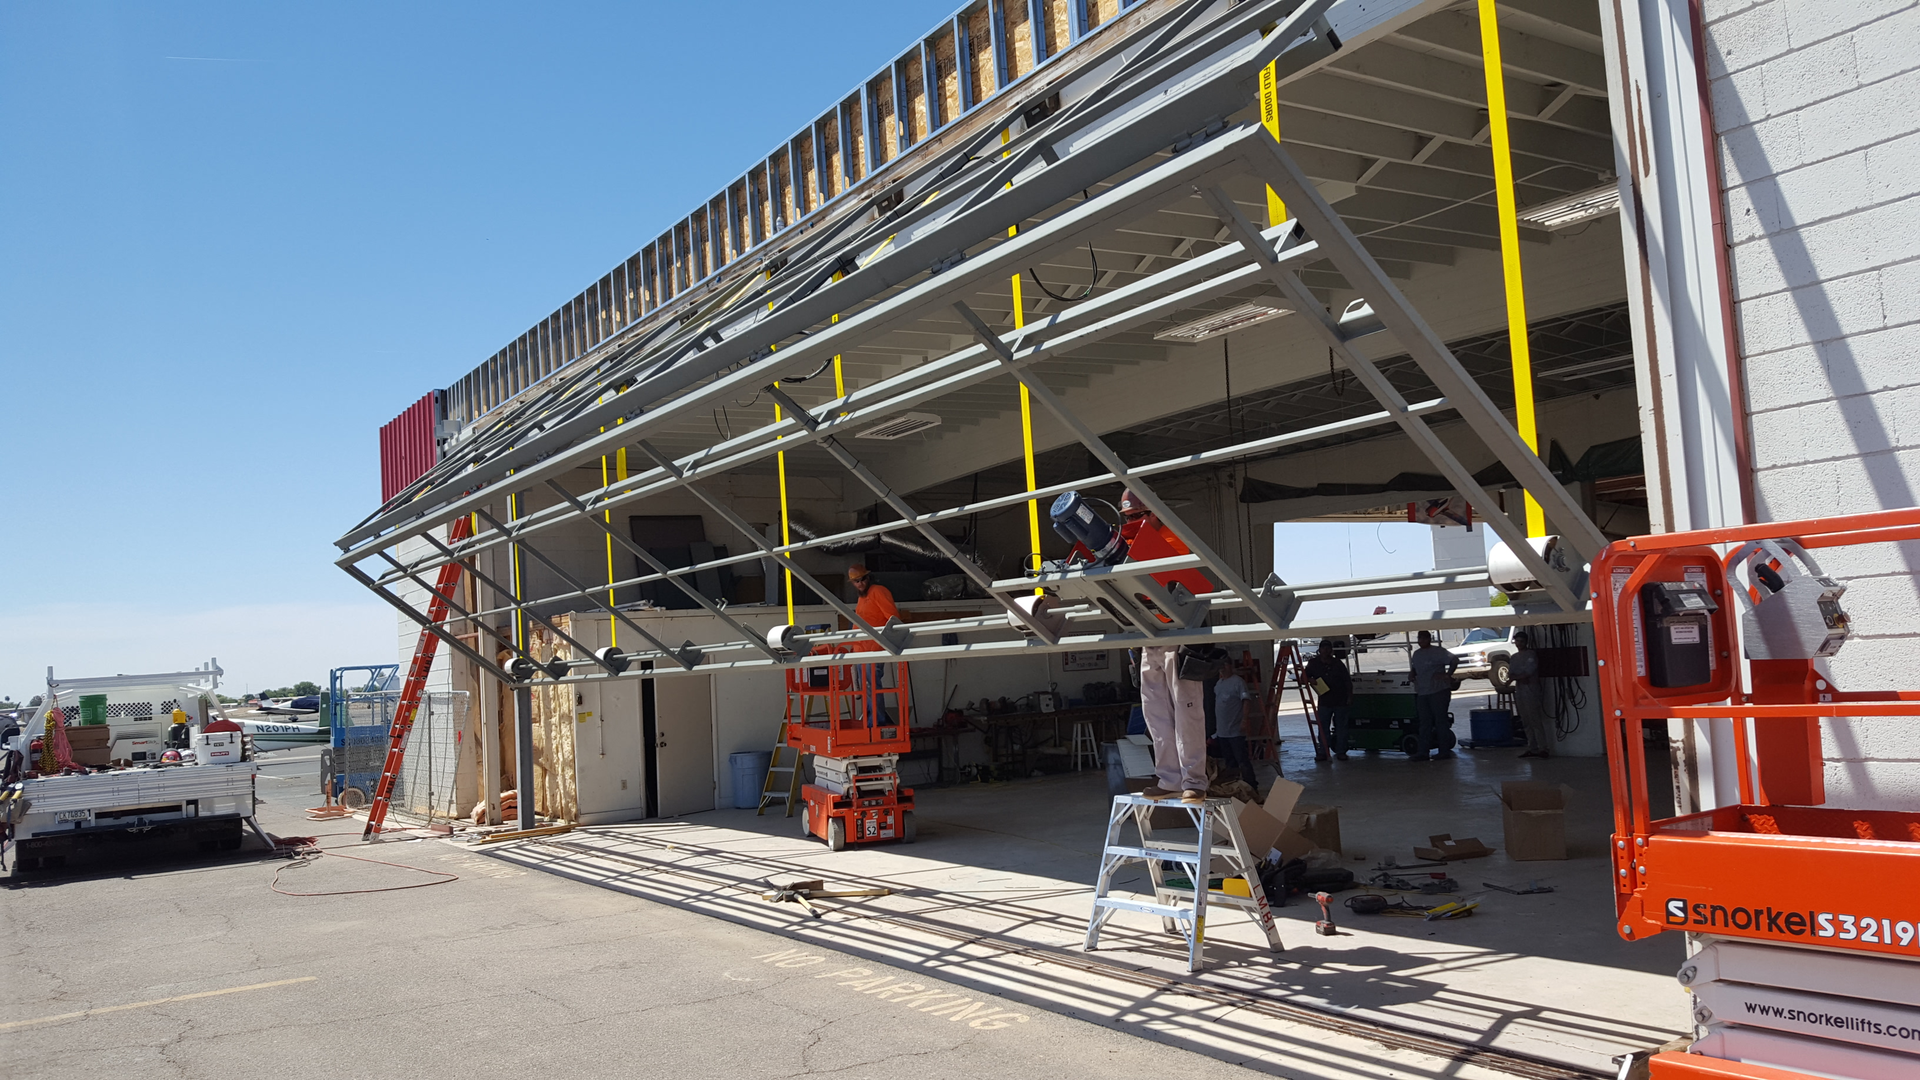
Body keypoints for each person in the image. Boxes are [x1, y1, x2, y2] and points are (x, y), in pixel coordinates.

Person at [1118, 490, 1207, 805]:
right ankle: (1169, 779)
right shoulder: (1128, 543)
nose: (1132, 522)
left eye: (1137, 515)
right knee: (1155, 713)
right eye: (1128, 517)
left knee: (1186, 710)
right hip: (1148, 632)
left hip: (1176, 631)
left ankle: (1194, 780)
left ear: (1153, 512)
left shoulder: (1171, 539)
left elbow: (1167, 575)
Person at [1409, 630, 1460, 761]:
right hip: (1422, 692)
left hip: (1439, 691)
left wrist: (1448, 675)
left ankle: (1444, 751)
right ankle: (1423, 752)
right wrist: (1412, 673)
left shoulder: (1439, 651)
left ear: (1429, 639)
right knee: (1424, 722)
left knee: (1440, 721)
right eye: (1419, 639)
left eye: (1424, 638)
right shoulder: (1417, 654)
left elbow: (1454, 660)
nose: (1421, 641)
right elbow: (1416, 667)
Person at [1303, 637, 1354, 760]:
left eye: (1328, 648)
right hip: (1324, 701)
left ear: (1331, 650)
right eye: (1323, 648)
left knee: (1341, 727)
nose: (1326, 651)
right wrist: (1310, 679)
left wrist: (1350, 696)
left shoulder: (1337, 663)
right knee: (1323, 727)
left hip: (1340, 700)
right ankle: (1323, 751)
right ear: (1319, 650)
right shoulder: (1313, 663)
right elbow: (1303, 678)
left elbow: (1347, 681)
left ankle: (1341, 751)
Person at [1213, 661, 1256, 788]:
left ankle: (1251, 786)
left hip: (1235, 730)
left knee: (1242, 760)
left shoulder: (1238, 682)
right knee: (1229, 761)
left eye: (1225, 665)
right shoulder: (1219, 684)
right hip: (1222, 731)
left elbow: (1246, 701)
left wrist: (1244, 720)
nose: (1222, 668)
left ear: (1230, 666)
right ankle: (1233, 786)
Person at [1509, 632, 1552, 757]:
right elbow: (1512, 674)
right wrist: (1519, 677)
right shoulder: (1514, 657)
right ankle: (1532, 747)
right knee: (1525, 720)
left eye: (1521, 641)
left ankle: (1543, 748)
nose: (1519, 644)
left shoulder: (1531, 655)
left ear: (1526, 642)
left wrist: (1518, 677)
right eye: (1517, 641)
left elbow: (1528, 673)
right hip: (1520, 690)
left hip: (1531, 690)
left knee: (1535, 720)